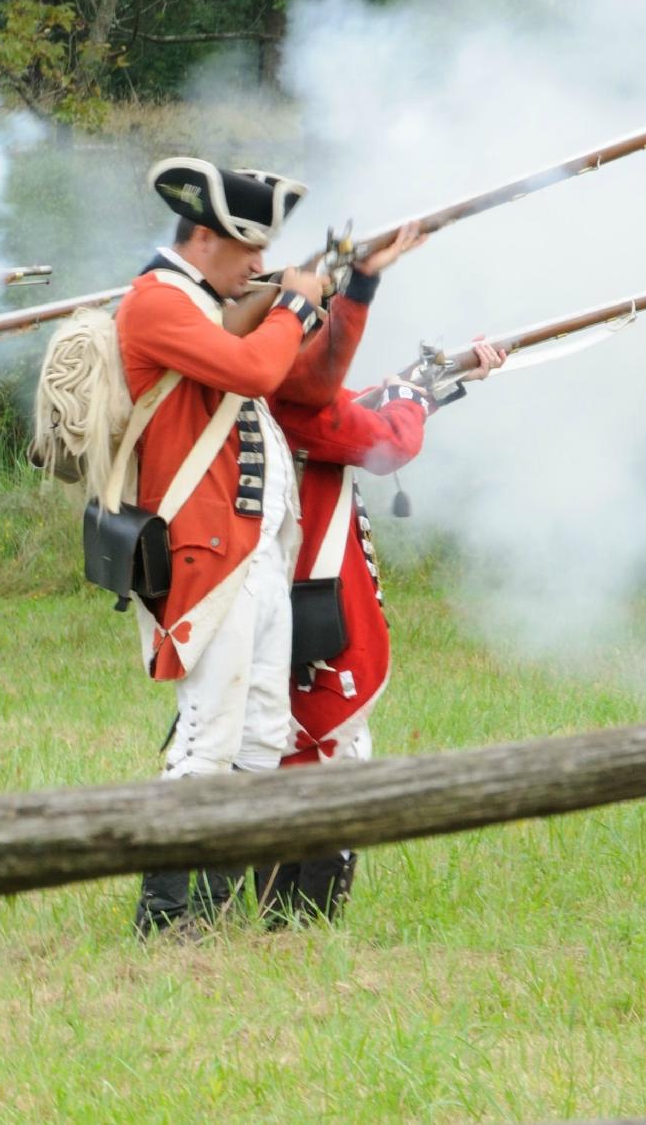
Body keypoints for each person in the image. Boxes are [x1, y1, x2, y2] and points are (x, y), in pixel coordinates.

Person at [118, 160, 419, 936]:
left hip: (256, 551)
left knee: (261, 734)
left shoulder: (221, 304)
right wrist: (292, 301)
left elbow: (309, 390)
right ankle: (166, 917)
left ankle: (214, 912)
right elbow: (256, 367)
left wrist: (357, 290)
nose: (259, 264)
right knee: (207, 738)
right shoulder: (157, 302)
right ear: (209, 237)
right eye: (249, 250)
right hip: (203, 552)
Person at [260, 277, 506, 924]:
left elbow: (356, 410)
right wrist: (416, 395)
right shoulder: (290, 395)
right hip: (303, 592)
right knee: (327, 748)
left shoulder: (265, 385)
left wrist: (436, 381)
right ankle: (301, 923)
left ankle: (277, 917)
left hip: (276, 590)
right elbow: (378, 436)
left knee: (278, 745)